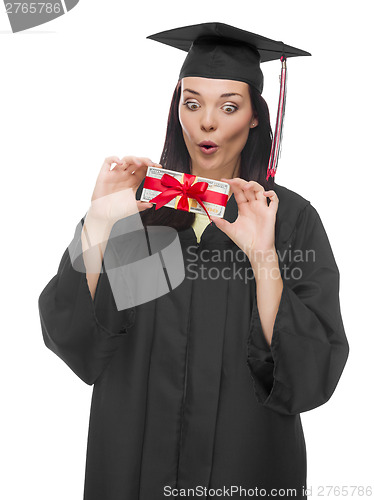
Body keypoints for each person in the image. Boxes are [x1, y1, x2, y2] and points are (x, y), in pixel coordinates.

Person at [38, 22, 349, 500]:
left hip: (244, 469)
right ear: (176, 110)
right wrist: (99, 223)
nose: (207, 122)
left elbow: (311, 374)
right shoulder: (139, 210)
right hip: (133, 466)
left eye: (229, 106)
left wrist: (262, 256)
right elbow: (78, 338)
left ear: (253, 118)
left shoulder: (289, 220)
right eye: (192, 102)